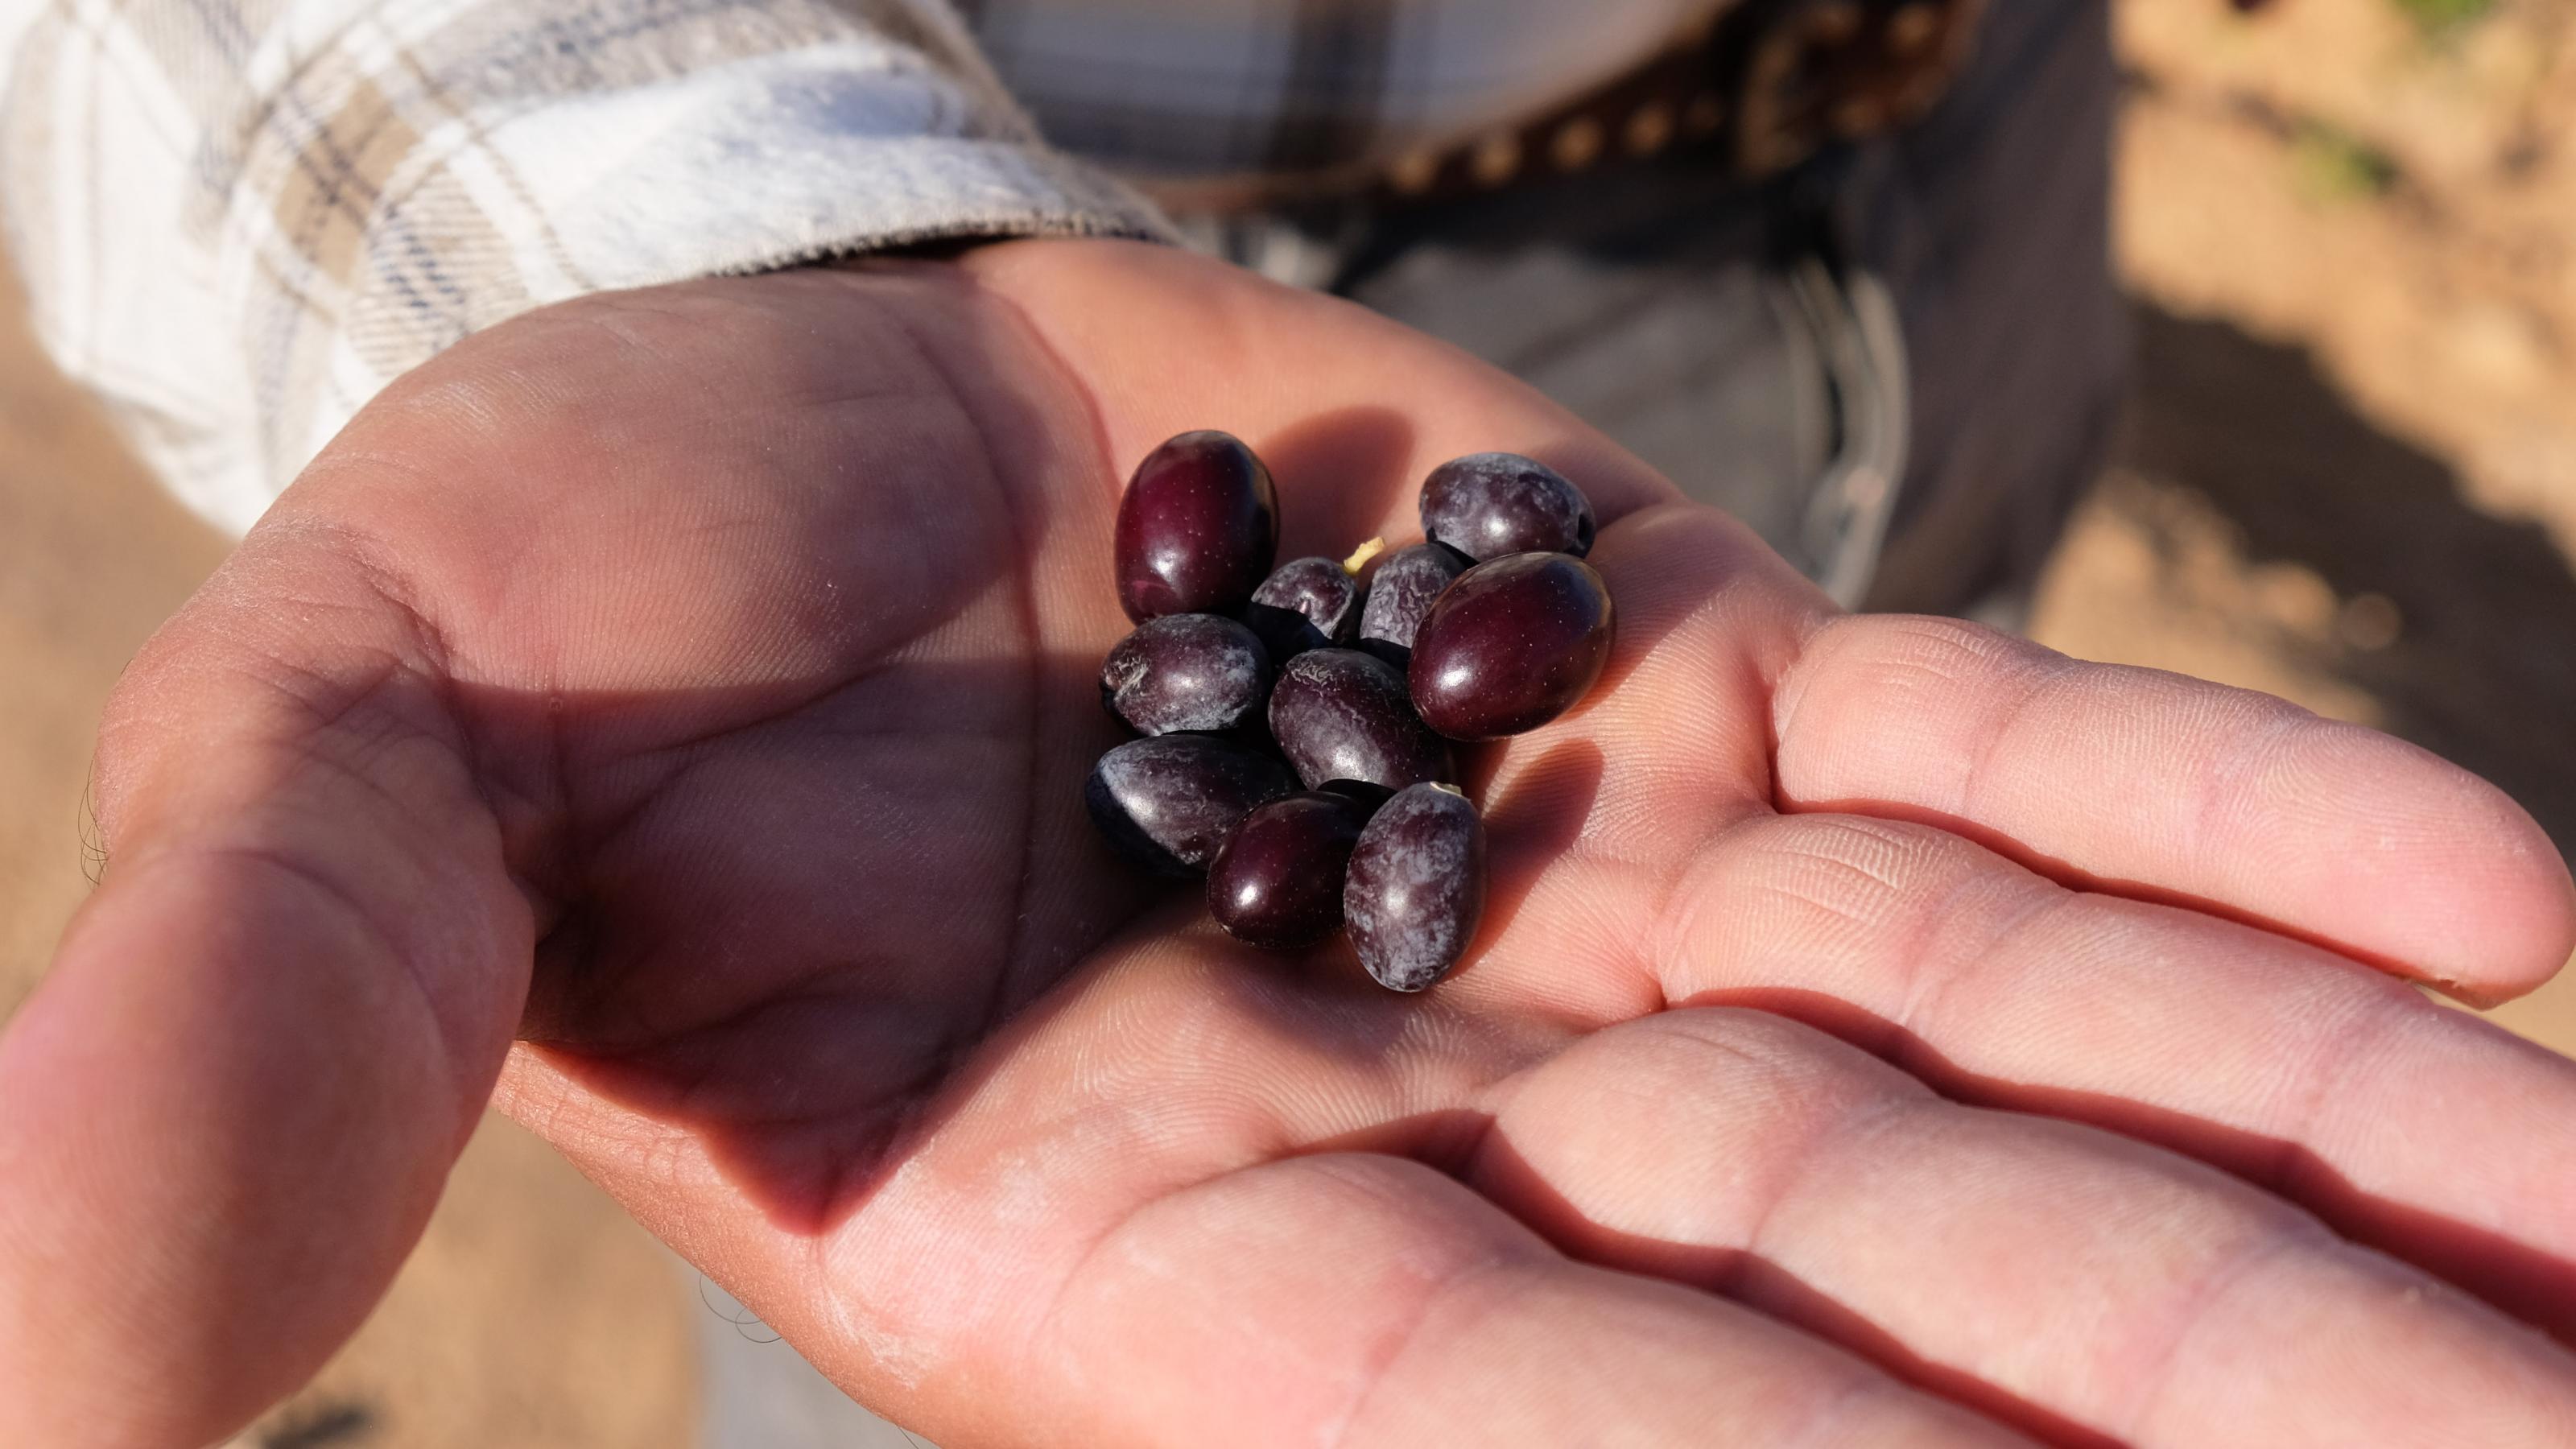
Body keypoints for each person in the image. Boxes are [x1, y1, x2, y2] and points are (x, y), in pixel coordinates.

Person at [0, 3, 2571, 1447]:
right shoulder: (1220, 723)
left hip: (1952, 130)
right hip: (1066, 222)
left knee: (1916, 804)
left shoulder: (1404, 679)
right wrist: (675, 216)